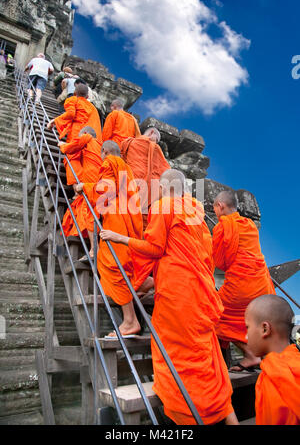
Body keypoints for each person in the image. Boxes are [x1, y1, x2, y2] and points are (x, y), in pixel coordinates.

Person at [100, 169, 238, 426]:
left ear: (162, 189)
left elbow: (154, 248)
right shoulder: (195, 208)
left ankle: (190, 413)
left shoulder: (163, 206)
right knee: (204, 353)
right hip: (200, 286)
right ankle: (227, 414)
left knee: (177, 353)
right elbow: (204, 249)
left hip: (177, 289)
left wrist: (120, 238)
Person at [75, 140, 143, 336]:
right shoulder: (127, 168)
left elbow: (106, 192)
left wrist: (85, 187)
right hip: (129, 218)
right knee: (124, 263)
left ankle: (130, 321)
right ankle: (143, 284)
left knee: (112, 265)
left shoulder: (108, 163)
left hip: (116, 219)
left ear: (104, 152)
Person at [212, 191, 275, 371]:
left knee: (214, 313)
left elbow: (220, 262)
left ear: (220, 206)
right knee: (252, 320)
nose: (215, 213)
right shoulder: (249, 225)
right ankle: (267, 358)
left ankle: (250, 355)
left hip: (242, 286)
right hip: (262, 284)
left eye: (215, 208)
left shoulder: (222, 228)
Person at [245, 294, 300, 425]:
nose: (246, 336)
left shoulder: (274, 377)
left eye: (247, 327)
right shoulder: (294, 364)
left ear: (265, 329)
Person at [59, 126, 103, 258]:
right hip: (102, 183)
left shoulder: (87, 138)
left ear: (84, 134)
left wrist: (62, 145)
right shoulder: (101, 146)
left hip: (91, 184)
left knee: (88, 213)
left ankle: (94, 250)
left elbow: (70, 148)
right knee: (93, 213)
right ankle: (97, 250)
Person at [47, 83, 102, 187]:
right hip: (88, 135)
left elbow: (71, 114)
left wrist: (55, 120)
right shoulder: (93, 108)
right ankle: (84, 188)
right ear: (87, 96)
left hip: (76, 133)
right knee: (84, 160)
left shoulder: (73, 100)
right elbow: (96, 126)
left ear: (75, 93)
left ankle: (77, 187)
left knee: (72, 158)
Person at [121, 127, 170, 230]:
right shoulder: (156, 149)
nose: (155, 142)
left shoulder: (130, 142)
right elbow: (166, 170)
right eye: (156, 139)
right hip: (150, 189)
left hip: (131, 182)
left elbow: (122, 156)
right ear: (152, 132)